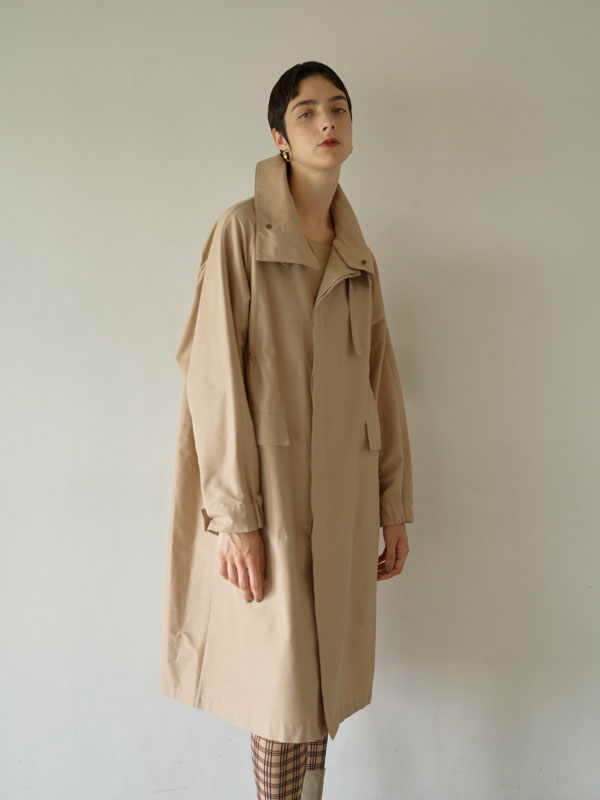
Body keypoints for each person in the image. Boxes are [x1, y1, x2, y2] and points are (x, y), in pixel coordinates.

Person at [159, 61, 414, 800]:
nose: (327, 120)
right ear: (279, 136)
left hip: (342, 499)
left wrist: (393, 504)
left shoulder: (359, 257)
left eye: (339, 108)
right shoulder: (241, 232)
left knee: (320, 692)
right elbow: (212, 380)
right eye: (307, 112)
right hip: (266, 503)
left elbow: (381, 384)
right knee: (282, 696)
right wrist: (234, 516)